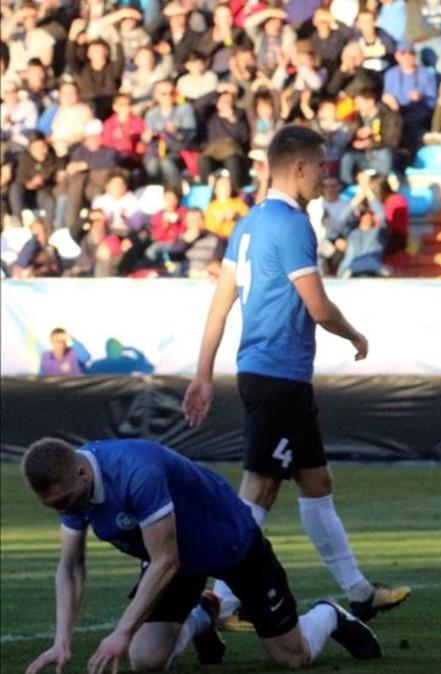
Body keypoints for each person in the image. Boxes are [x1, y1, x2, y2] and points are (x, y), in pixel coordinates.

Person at [184, 125, 409, 629]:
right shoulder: (292, 225)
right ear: (300, 167)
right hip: (279, 376)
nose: (327, 175)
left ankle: (359, 592)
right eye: (322, 166)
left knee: (315, 481)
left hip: (267, 374)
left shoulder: (247, 224)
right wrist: (355, 336)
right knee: (260, 489)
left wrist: (203, 374)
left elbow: (221, 305)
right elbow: (317, 306)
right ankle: (219, 601)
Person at [20, 437, 382, 674]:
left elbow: (166, 561)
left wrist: (120, 632)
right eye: (53, 506)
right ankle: (203, 615)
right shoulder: (72, 486)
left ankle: (328, 614)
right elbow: (70, 567)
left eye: (65, 502)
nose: (63, 511)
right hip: (172, 552)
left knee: (292, 657)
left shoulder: (135, 473)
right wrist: (61, 640)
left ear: (82, 473)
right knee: (146, 660)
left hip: (229, 543)